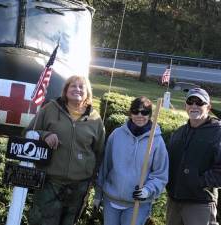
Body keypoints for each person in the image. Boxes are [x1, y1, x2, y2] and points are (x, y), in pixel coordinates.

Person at [25, 75, 105, 225]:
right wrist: (45, 135)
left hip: (78, 188)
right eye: (73, 86)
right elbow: (28, 133)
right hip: (49, 184)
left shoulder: (96, 119)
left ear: (88, 92)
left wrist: (91, 181)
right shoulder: (50, 108)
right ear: (66, 90)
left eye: (82, 87)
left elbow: (99, 152)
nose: (77, 89)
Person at [93, 96, 169, 225]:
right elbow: (105, 167)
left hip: (137, 204)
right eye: (135, 111)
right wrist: (98, 195)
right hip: (111, 200)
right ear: (130, 113)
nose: (140, 115)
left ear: (150, 115)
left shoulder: (157, 141)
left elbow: (160, 175)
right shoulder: (117, 135)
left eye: (144, 112)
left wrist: (148, 190)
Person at [166, 88, 221, 225]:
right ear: (185, 106)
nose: (194, 106)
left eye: (199, 102)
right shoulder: (179, 133)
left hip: (200, 204)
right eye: (190, 102)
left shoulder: (218, 132)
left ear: (208, 107)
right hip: (174, 203)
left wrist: (199, 182)